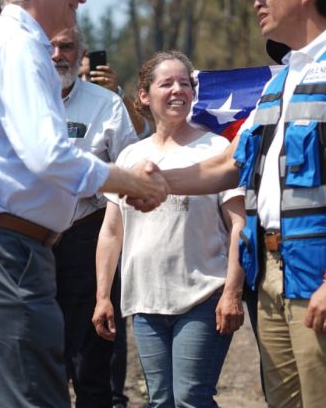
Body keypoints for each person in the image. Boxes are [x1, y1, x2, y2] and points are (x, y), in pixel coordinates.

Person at [142, 0, 326, 406]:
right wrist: (159, 181)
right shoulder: (281, 80)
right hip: (270, 274)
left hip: (323, 271)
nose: (257, 1)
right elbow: (229, 165)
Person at [0, 0, 168, 406]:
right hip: (8, 252)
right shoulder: (19, 49)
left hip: (0, 244)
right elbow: (50, 155)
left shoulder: (8, 45)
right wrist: (129, 181)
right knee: (35, 394)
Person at [93, 51, 246, 407]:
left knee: (191, 398)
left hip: (203, 297)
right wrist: (102, 296)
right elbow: (111, 233)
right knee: (161, 401)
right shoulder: (131, 157)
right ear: (144, 96)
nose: (178, 90)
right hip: (145, 302)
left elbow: (239, 225)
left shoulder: (217, 150)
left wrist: (232, 292)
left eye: (185, 83)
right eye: (167, 83)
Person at [49, 25, 138, 407]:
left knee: (91, 362)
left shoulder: (107, 104)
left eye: (67, 46)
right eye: (49, 47)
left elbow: (130, 168)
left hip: (87, 238)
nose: (57, 55)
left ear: (81, 52)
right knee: (39, 358)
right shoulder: (21, 99)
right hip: (29, 243)